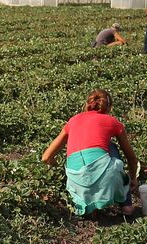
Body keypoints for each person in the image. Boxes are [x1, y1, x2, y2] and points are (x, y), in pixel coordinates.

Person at [41, 89, 141, 218]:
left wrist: (57, 168)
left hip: (76, 183)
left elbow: (46, 157)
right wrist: (132, 178)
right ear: (109, 107)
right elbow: (131, 158)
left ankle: (90, 207)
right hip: (104, 176)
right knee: (111, 147)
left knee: (81, 157)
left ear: (86, 104)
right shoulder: (112, 122)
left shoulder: (73, 121)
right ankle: (126, 205)